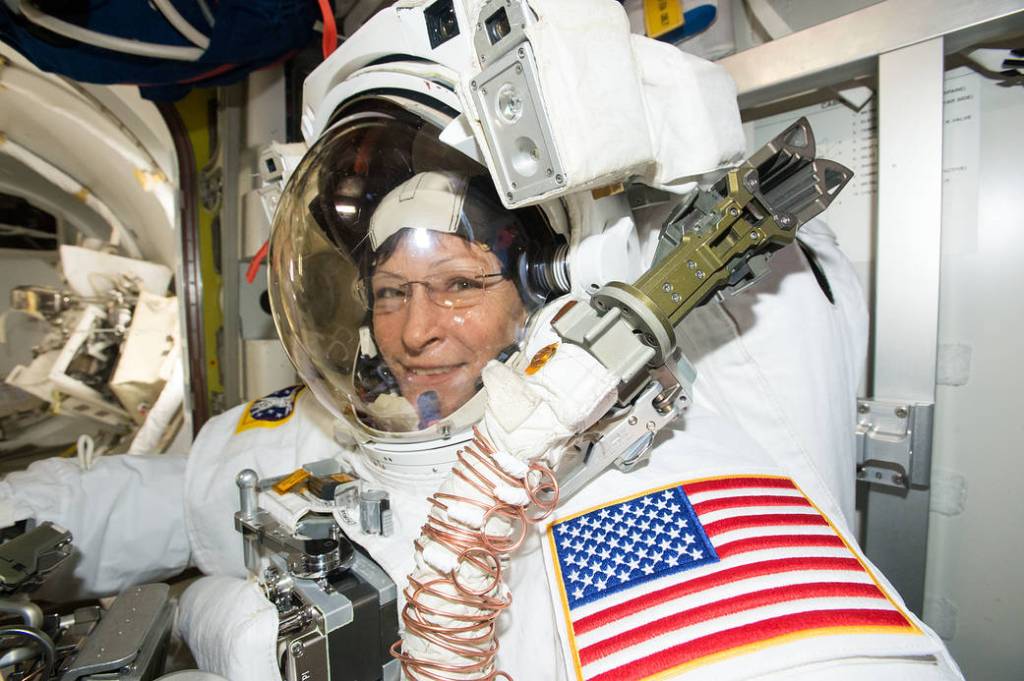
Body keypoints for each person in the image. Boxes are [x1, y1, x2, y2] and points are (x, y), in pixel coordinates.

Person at [0, 0, 963, 677]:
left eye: (460, 284)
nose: (417, 330)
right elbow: (165, 496)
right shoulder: (328, 425)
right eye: (389, 291)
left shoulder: (632, 499)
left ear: (542, 290)